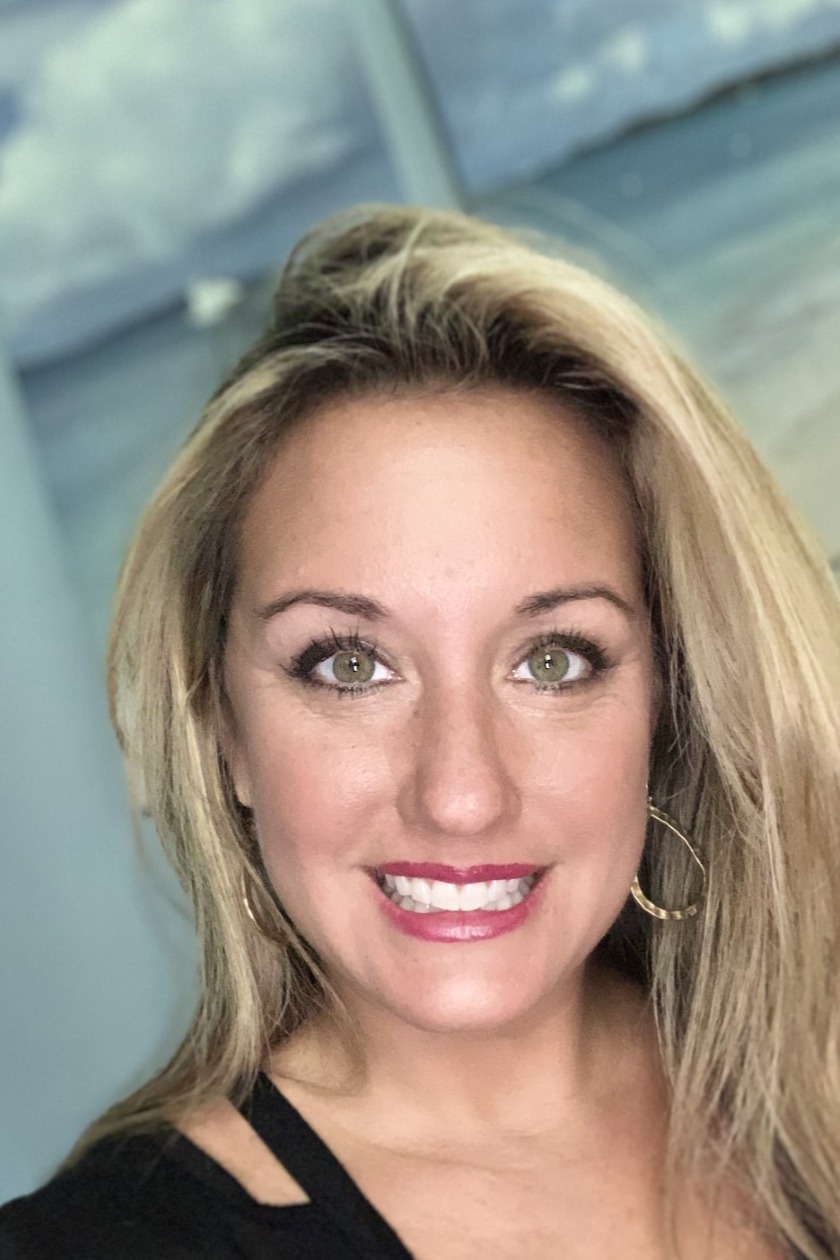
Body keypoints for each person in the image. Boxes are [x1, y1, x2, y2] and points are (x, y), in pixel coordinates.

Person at [1, 205, 838, 1260]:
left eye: (553, 660)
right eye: (349, 665)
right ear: (222, 726)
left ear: (671, 702)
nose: (461, 794)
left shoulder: (814, 1089)